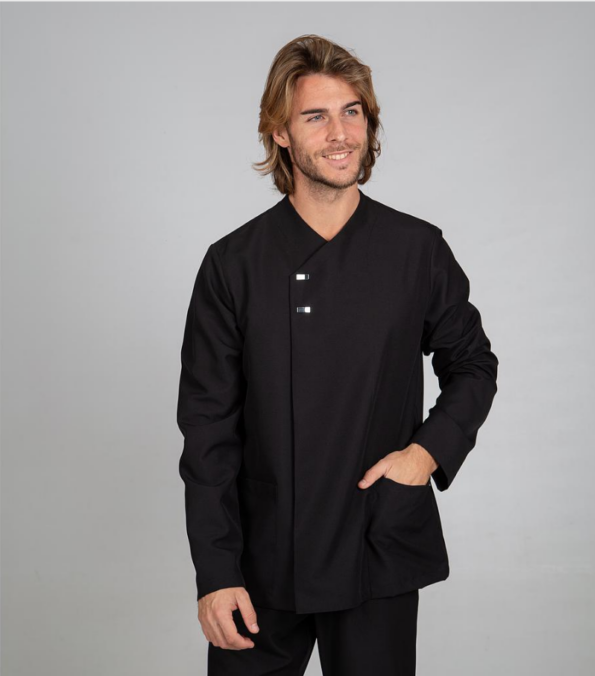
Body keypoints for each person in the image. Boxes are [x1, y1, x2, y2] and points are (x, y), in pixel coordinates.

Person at [177, 34, 499, 675]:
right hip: (264, 559)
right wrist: (215, 571)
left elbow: (473, 365)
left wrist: (425, 454)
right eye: (315, 116)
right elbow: (208, 430)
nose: (340, 134)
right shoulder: (233, 265)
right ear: (279, 133)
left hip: (375, 541)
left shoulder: (416, 250)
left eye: (352, 111)